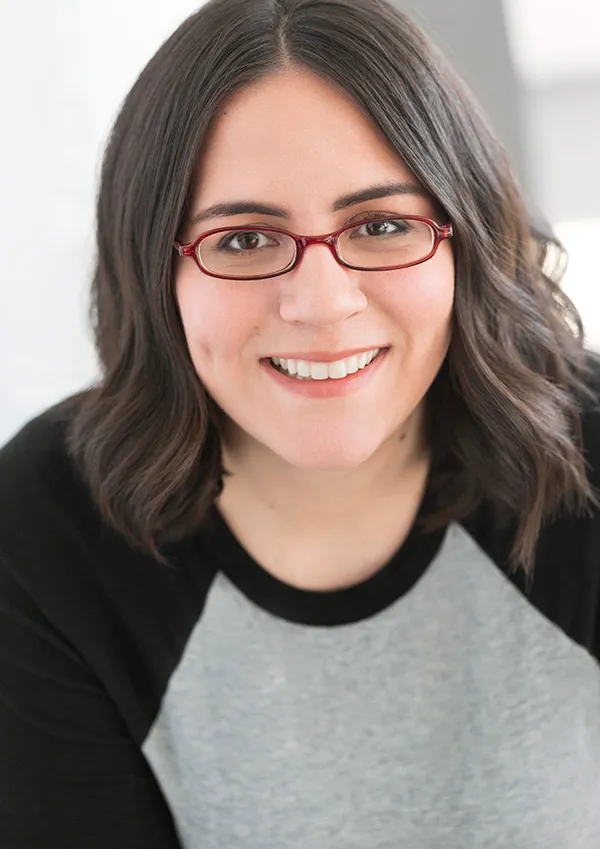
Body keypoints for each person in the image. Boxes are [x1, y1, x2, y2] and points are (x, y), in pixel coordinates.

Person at [1, 0, 600, 845]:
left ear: (466, 240)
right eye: (243, 240)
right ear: (153, 271)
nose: (322, 304)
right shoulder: (44, 525)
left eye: (383, 226)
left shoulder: (590, 452)